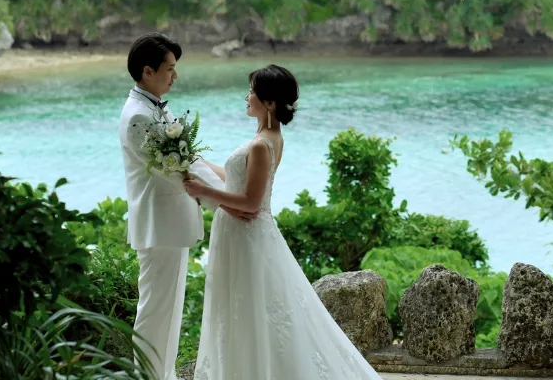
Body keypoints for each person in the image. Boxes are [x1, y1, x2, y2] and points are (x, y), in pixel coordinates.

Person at [184, 64, 384, 379]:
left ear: (270, 102)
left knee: (252, 310)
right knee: (243, 311)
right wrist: (194, 161)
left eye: (252, 91)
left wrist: (201, 190)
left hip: (247, 237)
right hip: (239, 235)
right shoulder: (265, 137)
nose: (246, 96)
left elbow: (251, 202)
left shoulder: (263, 144)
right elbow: (237, 182)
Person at [119, 33, 253, 380]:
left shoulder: (156, 108)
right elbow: (177, 171)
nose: (174, 76)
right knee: (155, 311)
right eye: (169, 69)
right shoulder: (139, 117)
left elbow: (189, 159)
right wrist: (227, 200)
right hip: (158, 226)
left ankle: (164, 375)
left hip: (170, 226)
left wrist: (230, 186)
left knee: (169, 310)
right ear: (148, 71)